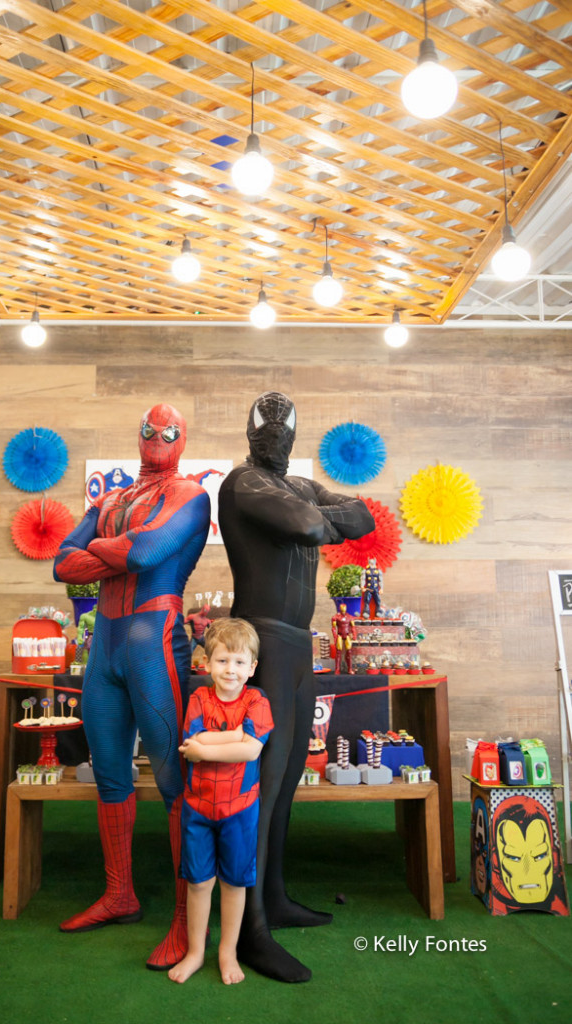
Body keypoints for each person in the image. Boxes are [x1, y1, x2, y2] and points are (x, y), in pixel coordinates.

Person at [218, 391, 375, 983]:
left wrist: (319, 518)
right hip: (262, 638)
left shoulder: (298, 485)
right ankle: (250, 925)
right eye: (264, 433)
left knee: (285, 780)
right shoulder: (240, 482)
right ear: (251, 436)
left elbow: (361, 517)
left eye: (282, 433)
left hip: (296, 642)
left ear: (292, 438)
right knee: (261, 778)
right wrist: (316, 517)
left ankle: (274, 896)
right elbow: (313, 524)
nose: (273, 441)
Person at [53, 403, 211, 970]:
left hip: (154, 640)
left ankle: (182, 916)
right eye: (150, 429)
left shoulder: (191, 495)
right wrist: (112, 552)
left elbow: (144, 551)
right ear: (138, 434)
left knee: (173, 780)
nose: (158, 438)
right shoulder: (111, 500)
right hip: (108, 648)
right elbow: (60, 565)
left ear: (182, 438)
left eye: (169, 431)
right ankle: (119, 893)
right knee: (111, 774)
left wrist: (102, 550)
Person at [169, 617, 273, 985]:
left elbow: (250, 752)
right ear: (207, 664)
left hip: (240, 809)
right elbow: (189, 744)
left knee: (234, 882)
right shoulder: (199, 698)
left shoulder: (257, 701)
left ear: (252, 667)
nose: (231, 669)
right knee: (198, 882)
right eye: (223, 660)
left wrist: (206, 746)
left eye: (240, 662)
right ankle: (196, 950)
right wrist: (234, 738)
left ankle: (227, 951)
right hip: (198, 806)